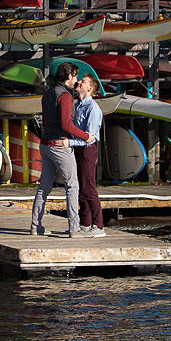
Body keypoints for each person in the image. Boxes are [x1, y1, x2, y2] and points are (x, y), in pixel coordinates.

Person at [30, 61, 95, 237]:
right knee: (72, 186)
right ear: (68, 76)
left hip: (45, 144)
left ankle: (35, 226)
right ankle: (74, 228)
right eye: (75, 76)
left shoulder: (49, 93)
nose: (76, 79)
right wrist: (85, 136)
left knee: (44, 186)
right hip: (59, 146)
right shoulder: (65, 95)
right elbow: (66, 125)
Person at [71, 75, 107, 237]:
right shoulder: (78, 105)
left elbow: (89, 137)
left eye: (83, 82)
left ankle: (99, 225)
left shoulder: (92, 108)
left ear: (90, 89)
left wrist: (69, 143)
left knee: (88, 187)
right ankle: (85, 223)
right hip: (77, 149)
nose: (79, 82)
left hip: (87, 150)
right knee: (80, 187)